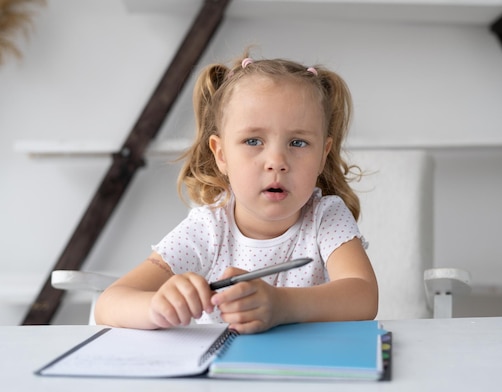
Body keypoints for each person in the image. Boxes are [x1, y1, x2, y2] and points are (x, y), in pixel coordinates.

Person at [94, 51, 378, 334]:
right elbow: (108, 304)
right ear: (221, 155)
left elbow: (363, 296)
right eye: (253, 140)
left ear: (322, 156)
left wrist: (281, 306)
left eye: (298, 142)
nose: (277, 162)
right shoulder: (208, 229)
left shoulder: (326, 217)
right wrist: (157, 306)